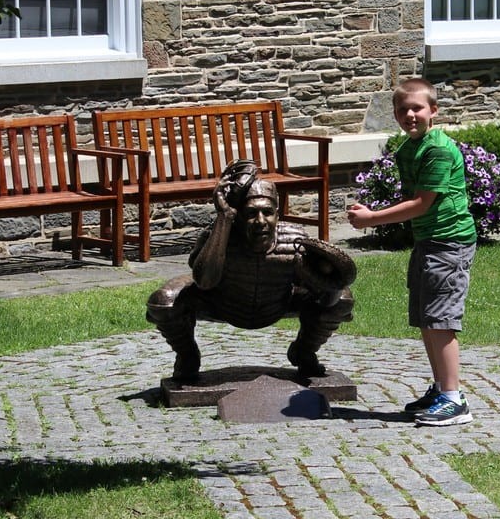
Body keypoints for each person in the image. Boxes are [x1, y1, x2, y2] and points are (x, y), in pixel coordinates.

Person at [147, 160, 356, 380]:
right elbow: (204, 281)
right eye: (250, 213)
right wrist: (224, 217)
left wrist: (332, 282)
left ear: (278, 214)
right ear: (238, 216)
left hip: (277, 302)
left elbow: (325, 299)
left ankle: (304, 352)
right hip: (222, 302)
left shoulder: (295, 241)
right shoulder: (219, 234)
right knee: (164, 301)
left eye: (268, 212)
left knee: (342, 298)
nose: (260, 221)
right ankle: (187, 356)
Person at [347, 78, 477, 426]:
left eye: (417, 107)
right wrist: (373, 211)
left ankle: (454, 399)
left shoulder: (437, 150)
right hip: (429, 242)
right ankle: (440, 389)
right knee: (426, 317)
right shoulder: (410, 148)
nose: (409, 114)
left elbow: (421, 204)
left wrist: (373, 218)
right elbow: (415, 202)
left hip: (449, 243)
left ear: (433, 110)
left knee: (441, 320)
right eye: (402, 109)